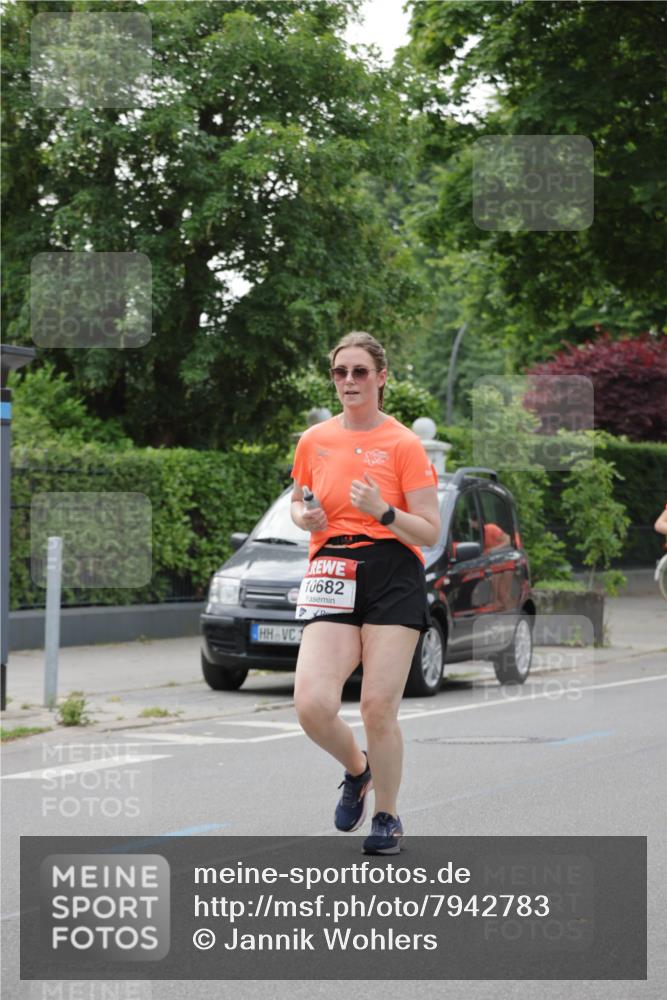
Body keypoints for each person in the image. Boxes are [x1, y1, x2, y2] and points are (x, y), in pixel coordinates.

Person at [290, 332, 440, 855]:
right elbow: (297, 502)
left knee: (378, 706)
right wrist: (303, 515)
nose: (348, 381)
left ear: (380, 378)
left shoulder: (403, 444)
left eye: (358, 371)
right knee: (311, 703)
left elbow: (429, 531)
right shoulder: (314, 440)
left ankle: (387, 818)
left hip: (393, 569)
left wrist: (384, 511)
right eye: (339, 372)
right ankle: (358, 771)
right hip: (332, 565)